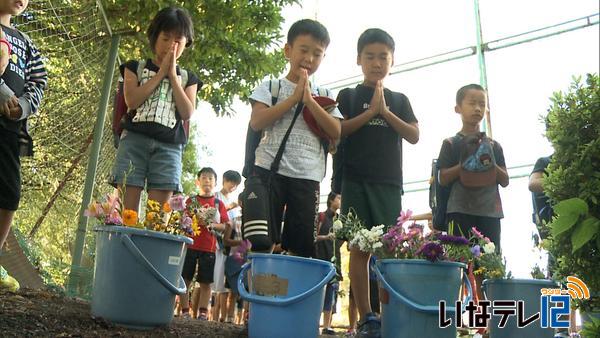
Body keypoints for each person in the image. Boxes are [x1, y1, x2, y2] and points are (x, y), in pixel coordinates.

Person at [337, 28, 419, 338]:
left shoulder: (399, 99)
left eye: (383, 56)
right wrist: (370, 111)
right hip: (355, 180)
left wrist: (384, 112)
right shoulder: (348, 95)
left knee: (390, 250)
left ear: (392, 60)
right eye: (370, 56)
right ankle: (368, 318)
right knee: (359, 249)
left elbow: (413, 135)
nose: (376, 62)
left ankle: (391, 314)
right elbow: (339, 130)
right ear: (359, 59)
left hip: (388, 182)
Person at [248, 18, 342, 257]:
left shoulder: (325, 95)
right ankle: (257, 292)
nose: (309, 58)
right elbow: (257, 121)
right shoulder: (270, 87)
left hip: (308, 176)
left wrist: (309, 100)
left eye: (317, 54)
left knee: (302, 247)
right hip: (268, 172)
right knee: (261, 241)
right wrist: (293, 99)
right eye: (303, 50)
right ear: (288, 50)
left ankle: (291, 293)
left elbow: (336, 131)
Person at [110, 6, 200, 212]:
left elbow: (187, 113)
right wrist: (161, 74)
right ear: (155, 38)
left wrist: (173, 78)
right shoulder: (135, 67)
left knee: (157, 218)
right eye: (166, 38)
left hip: (169, 147)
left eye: (178, 40)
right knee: (127, 213)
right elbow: (132, 100)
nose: (171, 45)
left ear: (187, 42)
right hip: (134, 141)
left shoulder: (189, 78)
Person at [437, 83, 509, 300]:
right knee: (456, 266)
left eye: (482, 104)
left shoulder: (495, 146)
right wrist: (465, 163)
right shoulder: (451, 143)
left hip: (489, 212)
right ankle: (453, 317)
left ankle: (487, 323)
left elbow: (504, 180)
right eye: (472, 103)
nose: (477, 108)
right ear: (458, 108)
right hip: (459, 211)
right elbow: (441, 178)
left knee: (488, 267)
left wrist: (488, 157)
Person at [0, 0, 48, 291]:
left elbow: (39, 79)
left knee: (9, 193)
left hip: (10, 127)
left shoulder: (25, 42)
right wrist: (2, 93)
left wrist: (24, 106)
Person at [181, 167, 229, 320]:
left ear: (215, 183)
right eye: (204, 177)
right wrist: (191, 221)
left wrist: (213, 225)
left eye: (210, 178)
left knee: (205, 282)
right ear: (198, 181)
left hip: (208, 248)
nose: (207, 180)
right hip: (189, 245)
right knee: (185, 279)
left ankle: (202, 313)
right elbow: (182, 221)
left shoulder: (218, 203)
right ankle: (184, 311)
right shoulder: (191, 201)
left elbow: (226, 225)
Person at [213, 170, 242, 322]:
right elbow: (217, 218)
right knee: (217, 282)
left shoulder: (234, 203)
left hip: (232, 248)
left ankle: (224, 317)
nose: (232, 186)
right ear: (224, 180)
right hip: (218, 242)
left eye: (236, 184)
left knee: (226, 283)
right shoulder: (216, 197)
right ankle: (218, 316)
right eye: (231, 182)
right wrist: (230, 206)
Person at [315, 192, 342, 335]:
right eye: (338, 198)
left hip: (335, 260)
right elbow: (313, 237)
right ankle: (315, 323)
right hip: (321, 259)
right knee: (319, 291)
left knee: (332, 292)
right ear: (331, 200)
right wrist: (326, 237)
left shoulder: (340, 220)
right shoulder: (321, 216)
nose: (340, 200)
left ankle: (327, 325)